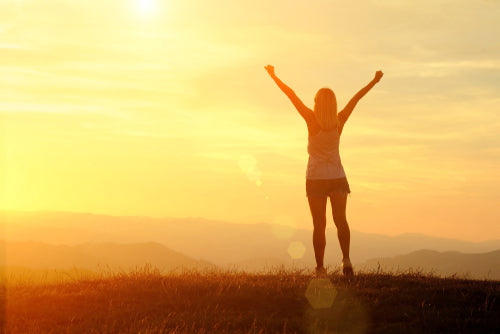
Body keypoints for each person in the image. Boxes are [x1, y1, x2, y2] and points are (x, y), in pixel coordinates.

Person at [264, 65, 383, 277]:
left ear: (318, 104)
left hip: (316, 178)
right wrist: (373, 81)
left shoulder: (311, 120)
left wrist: (274, 76)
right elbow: (356, 98)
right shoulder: (340, 120)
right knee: (341, 221)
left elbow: (291, 95)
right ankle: (346, 261)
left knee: (319, 225)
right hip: (337, 177)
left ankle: (320, 269)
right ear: (334, 104)